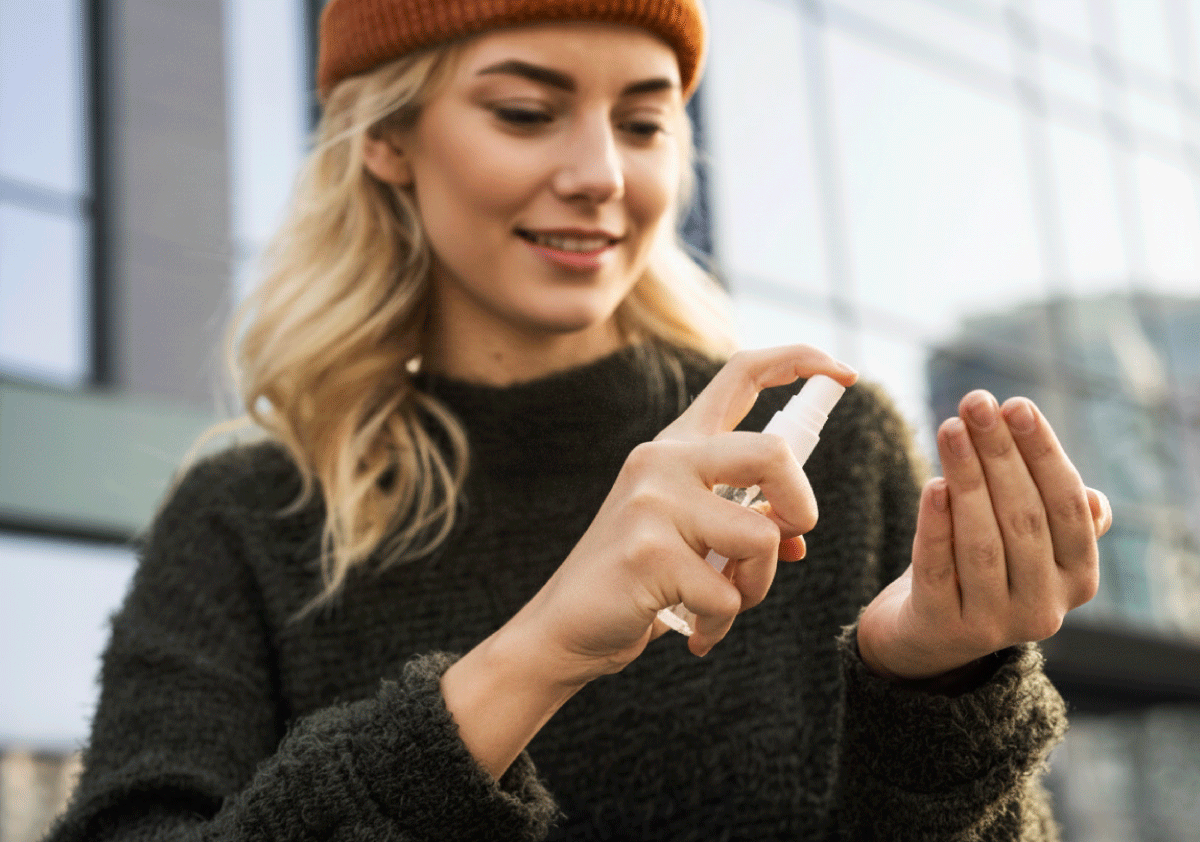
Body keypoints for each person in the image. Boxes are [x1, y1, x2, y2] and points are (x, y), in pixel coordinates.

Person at [46, 1, 1113, 840]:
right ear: (387, 139)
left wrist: (934, 682)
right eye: (525, 111)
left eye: (644, 122)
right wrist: (540, 650)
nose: (601, 175)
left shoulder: (828, 448)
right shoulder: (247, 516)